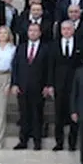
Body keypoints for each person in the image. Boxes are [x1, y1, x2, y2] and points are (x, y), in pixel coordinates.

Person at [12, 22, 51, 150]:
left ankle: (37, 141)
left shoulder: (46, 48)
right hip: (23, 86)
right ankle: (23, 140)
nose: (33, 33)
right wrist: (15, 83)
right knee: (23, 114)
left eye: (35, 31)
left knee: (37, 114)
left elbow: (49, 69)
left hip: (38, 87)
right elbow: (15, 66)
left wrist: (47, 85)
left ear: (39, 33)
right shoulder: (21, 47)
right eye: (30, 31)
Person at [51, 20, 83, 151]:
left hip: (75, 85)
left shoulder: (81, 44)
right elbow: (50, 66)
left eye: (68, 29)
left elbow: (82, 65)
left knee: (74, 114)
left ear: (73, 30)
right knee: (58, 115)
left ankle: (72, 143)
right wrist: (50, 85)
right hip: (59, 85)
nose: (66, 31)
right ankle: (59, 142)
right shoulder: (54, 45)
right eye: (63, 29)